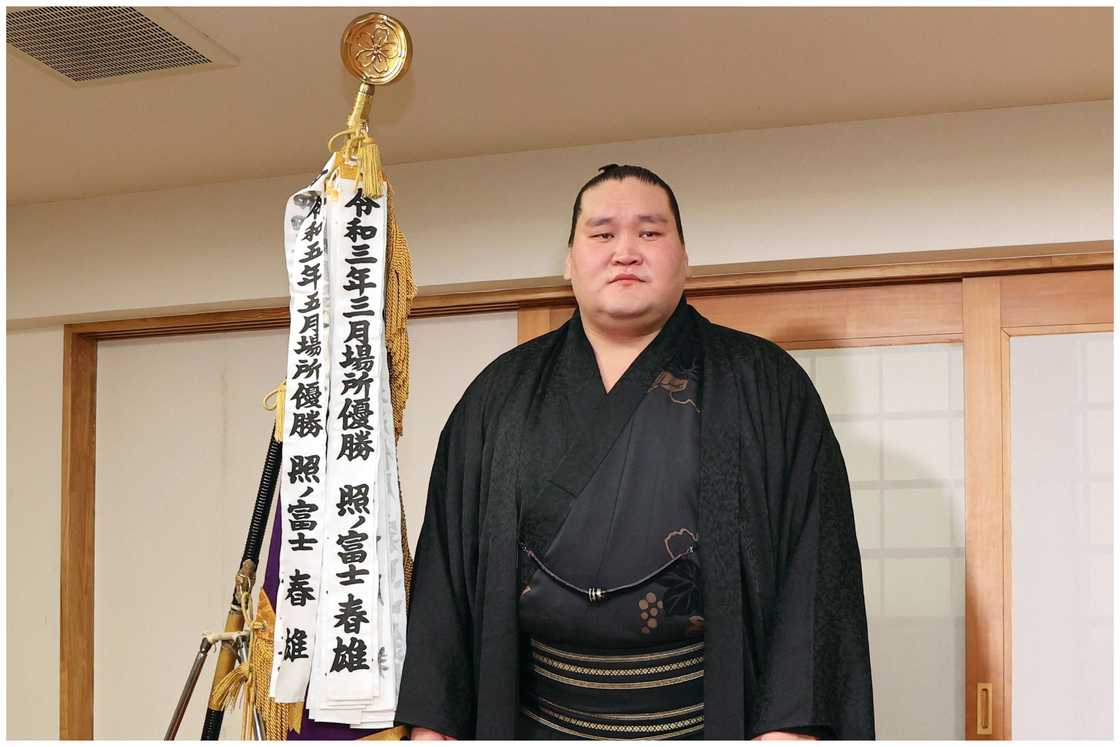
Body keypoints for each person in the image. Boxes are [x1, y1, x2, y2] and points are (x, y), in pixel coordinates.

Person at [393, 165, 875, 740]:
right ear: (570, 262)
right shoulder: (499, 393)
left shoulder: (764, 382)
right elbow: (446, 567)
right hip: (536, 723)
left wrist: (792, 726)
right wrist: (434, 722)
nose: (625, 251)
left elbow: (815, 566)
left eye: (649, 232)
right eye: (602, 234)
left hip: (710, 721)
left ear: (684, 258)